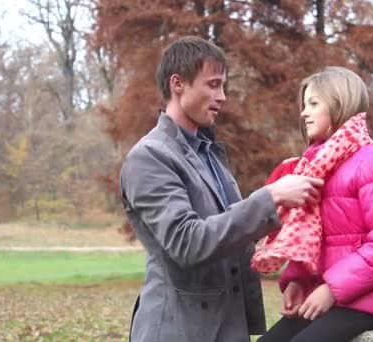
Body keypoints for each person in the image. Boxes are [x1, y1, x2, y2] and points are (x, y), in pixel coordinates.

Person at [119, 35, 324, 342]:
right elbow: (188, 243)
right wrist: (271, 197)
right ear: (178, 84)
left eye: (223, 86)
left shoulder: (210, 154)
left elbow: (232, 232)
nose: (223, 96)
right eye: (213, 84)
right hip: (178, 331)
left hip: (224, 328)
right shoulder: (149, 158)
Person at [255, 66, 373, 342]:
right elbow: (310, 240)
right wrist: (297, 281)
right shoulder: (315, 167)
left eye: (313, 104)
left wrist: (332, 289)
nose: (303, 112)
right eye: (304, 104)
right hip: (338, 295)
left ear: (338, 105)